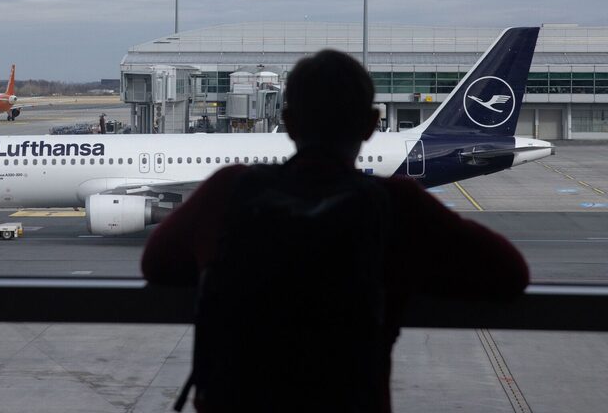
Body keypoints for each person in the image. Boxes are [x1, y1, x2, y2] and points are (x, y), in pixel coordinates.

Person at [141, 49, 530, 413]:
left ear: (289, 122)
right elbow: (509, 274)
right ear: (370, 124)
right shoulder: (394, 204)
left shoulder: (229, 190)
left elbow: (156, 264)